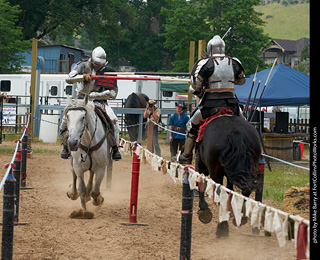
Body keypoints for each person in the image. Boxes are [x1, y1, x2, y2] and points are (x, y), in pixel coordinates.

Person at [178, 35, 246, 164]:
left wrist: (200, 90)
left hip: (210, 106)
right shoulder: (234, 62)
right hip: (232, 104)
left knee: (191, 125)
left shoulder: (205, 63)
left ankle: (186, 155)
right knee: (245, 124)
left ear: (209, 49)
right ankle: (256, 153)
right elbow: (241, 81)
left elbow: (196, 87)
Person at [60, 46, 122, 161]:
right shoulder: (82, 66)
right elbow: (69, 79)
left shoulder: (110, 71)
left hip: (100, 101)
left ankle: (115, 148)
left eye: (101, 64)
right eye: (97, 63)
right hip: (81, 99)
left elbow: (113, 93)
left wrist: (98, 95)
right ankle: (65, 146)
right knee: (65, 119)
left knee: (113, 120)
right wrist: (82, 76)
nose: (99, 66)